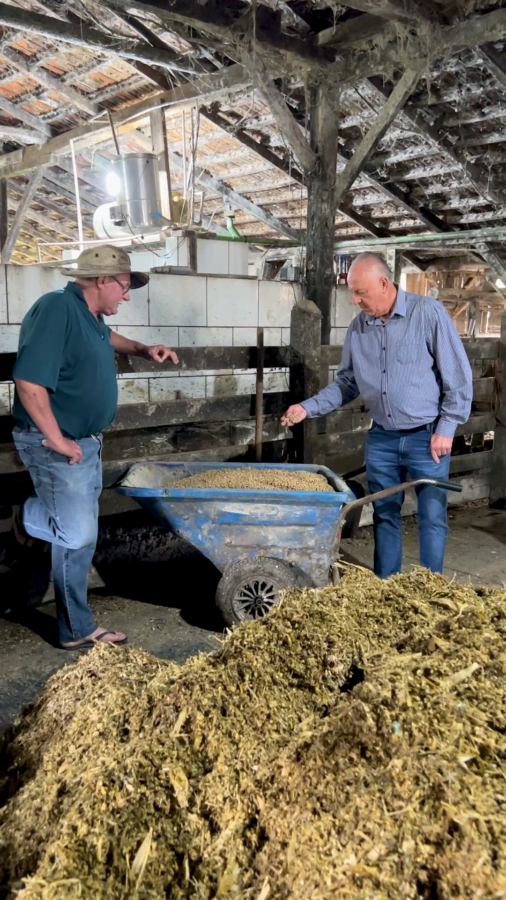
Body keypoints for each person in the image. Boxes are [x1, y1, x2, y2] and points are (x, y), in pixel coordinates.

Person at [9, 244, 179, 649]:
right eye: (124, 285)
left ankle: (74, 625)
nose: (127, 294)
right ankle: (75, 624)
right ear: (102, 281)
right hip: (56, 443)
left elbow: (107, 338)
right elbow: (29, 383)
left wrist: (142, 349)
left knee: (79, 534)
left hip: (83, 442)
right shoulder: (56, 309)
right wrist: (56, 439)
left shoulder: (90, 316)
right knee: (78, 534)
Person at [282, 252, 473, 578]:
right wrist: (307, 407)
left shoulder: (427, 314)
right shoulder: (359, 328)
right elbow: (347, 383)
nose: (355, 300)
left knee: (431, 514)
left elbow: (457, 375)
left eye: (361, 292)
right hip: (382, 437)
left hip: (427, 437)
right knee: (385, 514)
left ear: (384, 284)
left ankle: (430, 588)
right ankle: (386, 586)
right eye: (353, 292)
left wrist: (447, 426)